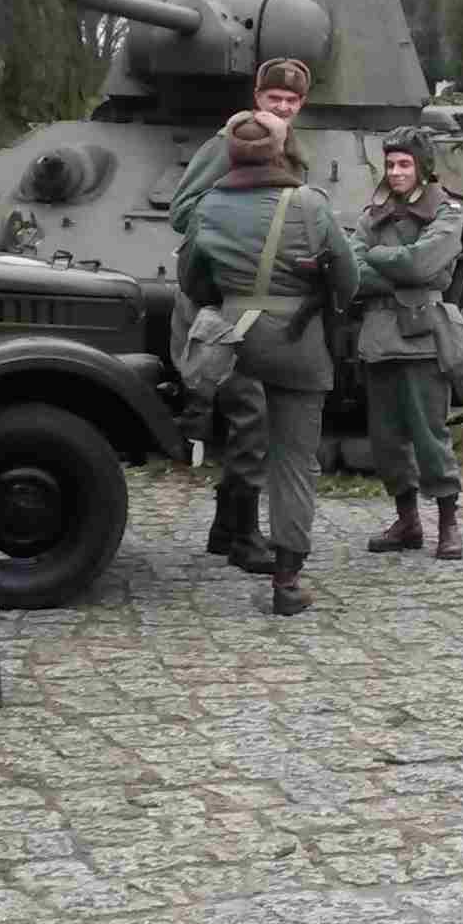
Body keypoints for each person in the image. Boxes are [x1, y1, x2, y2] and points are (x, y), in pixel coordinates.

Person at [182, 109, 358, 614]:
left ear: (231, 155)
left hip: (234, 342)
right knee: (295, 462)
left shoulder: (208, 206)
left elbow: (194, 282)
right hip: (298, 344)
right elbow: (348, 280)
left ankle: (231, 530)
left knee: (244, 438)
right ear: (279, 153)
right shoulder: (309, 204)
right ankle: (286, 580)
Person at [168, 57, 313, 573]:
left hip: (268, 303)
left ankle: (225, 527)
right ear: (258, 98)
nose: (283, 107)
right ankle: (245, 536)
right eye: (275, 99)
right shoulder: (227, 144)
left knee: (257, 416)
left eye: (292, 102)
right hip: (221, 303)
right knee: (249, 415)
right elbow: (182, 212)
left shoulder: (293, 150)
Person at [351, 127, 463, 560]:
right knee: (386, 440)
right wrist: (397, 269)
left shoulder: (446, 212)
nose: (396, 172)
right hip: (380, 339)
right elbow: (352, 269)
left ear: (422, 167)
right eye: (391, 164)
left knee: (430, 435)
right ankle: (407, 521)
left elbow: (425, 264)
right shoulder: (373, 213)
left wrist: (379, 260)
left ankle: (448, 524)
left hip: (422, 338)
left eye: (404, 164)